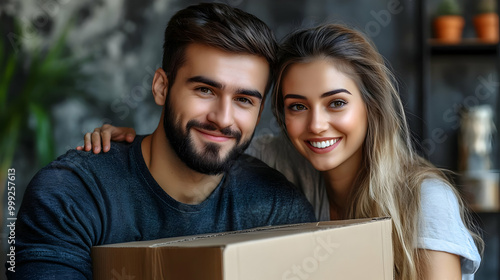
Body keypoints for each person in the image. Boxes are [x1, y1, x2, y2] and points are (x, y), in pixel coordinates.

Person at [85, 24, 484, 279]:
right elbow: (205, 150)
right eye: (297, 106)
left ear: (372, 106)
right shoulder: (275, 161)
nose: (316, 125)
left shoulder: (424, 200)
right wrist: (131, 147)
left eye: (336, 103)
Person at [7, 3, 317, 279]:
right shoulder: (71, 194)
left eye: (243, 100)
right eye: (205, 90)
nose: (223, 118)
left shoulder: (277, 208)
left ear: (259, 110)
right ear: (161, 88)